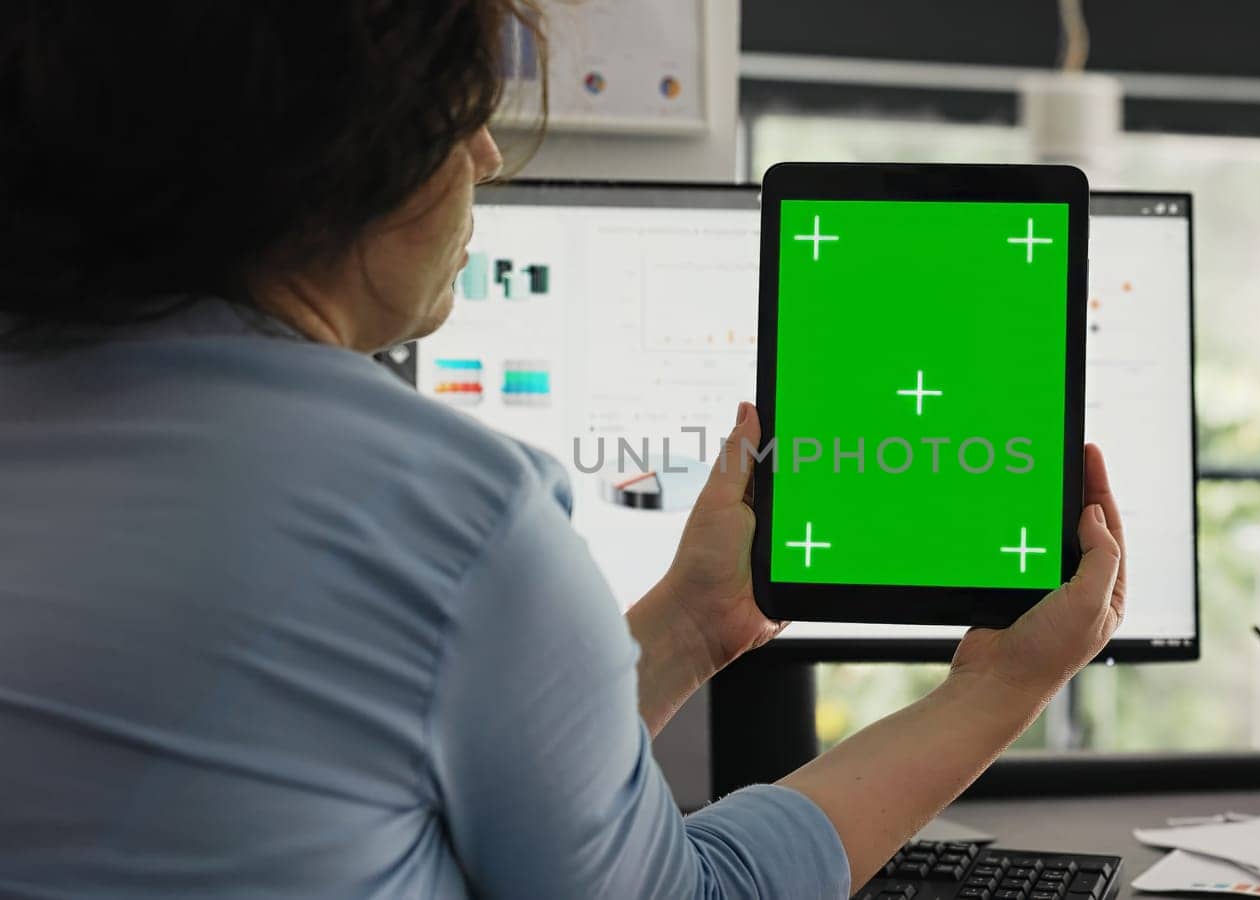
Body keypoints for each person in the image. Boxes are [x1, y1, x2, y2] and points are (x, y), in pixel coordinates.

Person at [0, 2, 1127, 897]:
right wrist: (999, 686)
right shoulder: (448, 514)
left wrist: (688, 624)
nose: (486, 156)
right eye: (456, 115)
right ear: (339, 157)